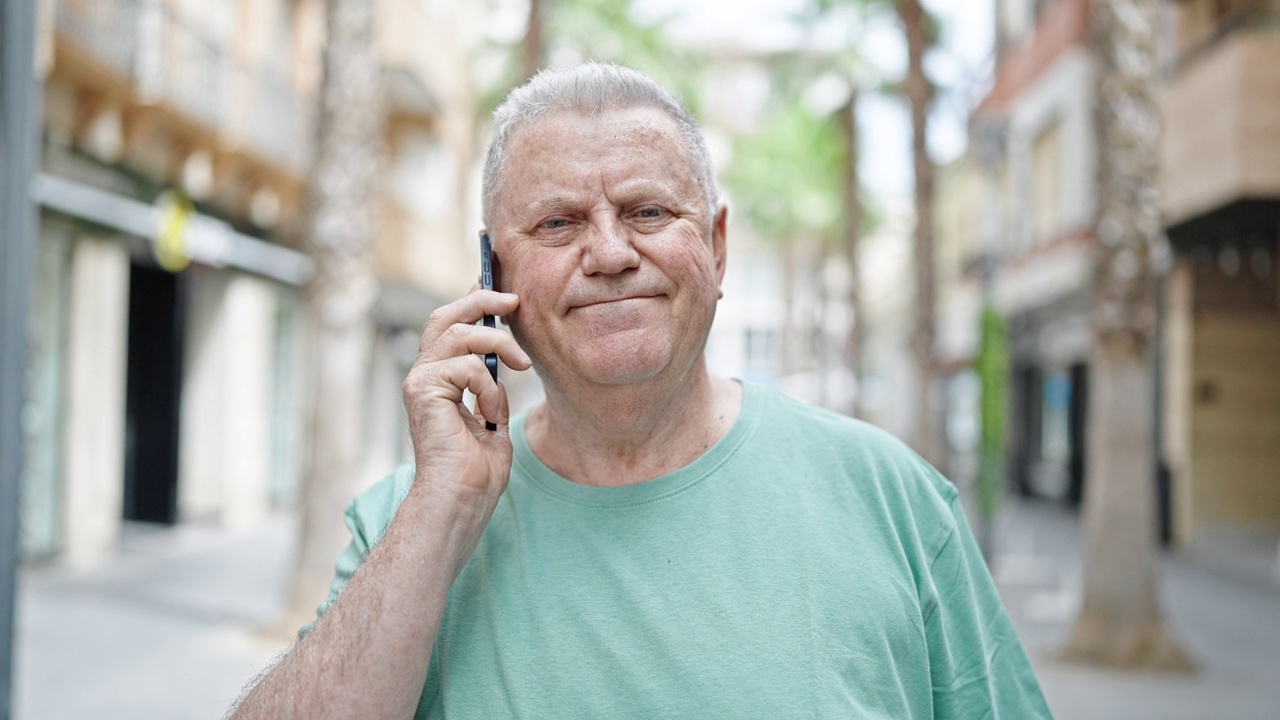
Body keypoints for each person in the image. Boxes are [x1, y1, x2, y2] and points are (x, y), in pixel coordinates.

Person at [229, 63, 1051, 719]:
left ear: (719, 247)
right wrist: (442, 510)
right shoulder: (412, 520)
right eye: (558, 224)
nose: (612, 252)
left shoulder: (892, 499)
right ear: (495, 272)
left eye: (649, 211)